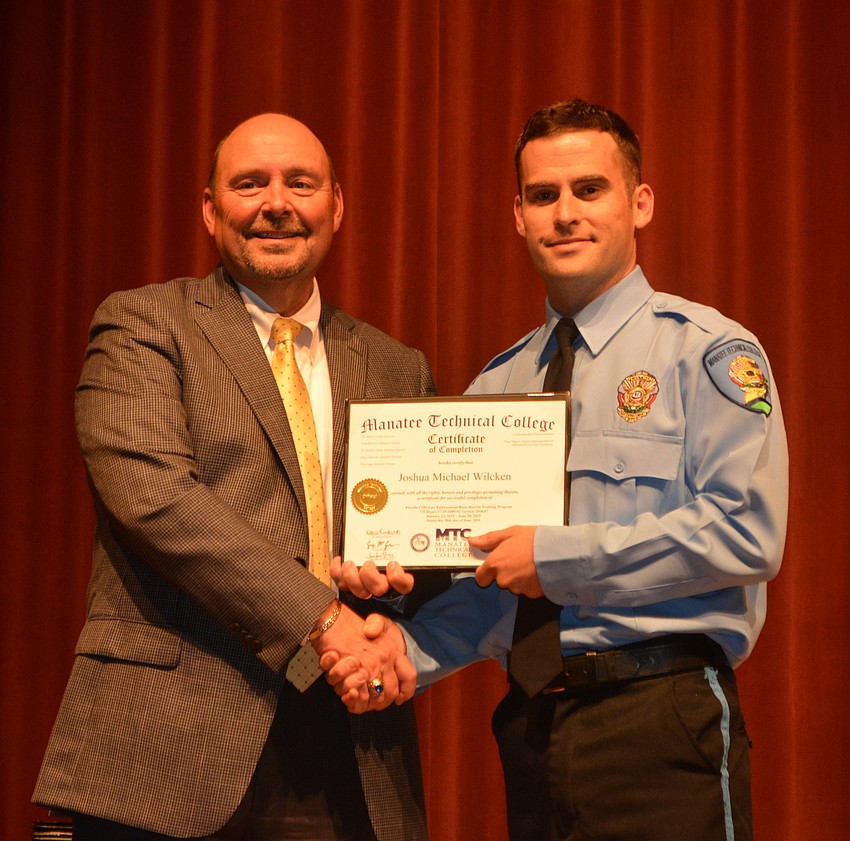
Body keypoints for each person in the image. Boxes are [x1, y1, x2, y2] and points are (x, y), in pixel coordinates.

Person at [328, 99, 789, 840]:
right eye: (543, 196)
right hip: (532, 725)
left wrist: (554, 555)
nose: (565, 213)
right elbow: (489, 586)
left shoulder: (706, 351)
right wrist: (401, 645)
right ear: (517, 215)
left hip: (662, 716)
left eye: (588, 189)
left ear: (639, 203)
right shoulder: (494, 388)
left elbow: (747, 532)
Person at [33, 113, 436, 841]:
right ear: (211, 209)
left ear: (336, 205)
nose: (275, 202)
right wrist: (324, 617)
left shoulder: (396, 364)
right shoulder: (143, 325)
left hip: (351, 754)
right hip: (168, 754)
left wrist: (399, 591)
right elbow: (157, 500)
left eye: (299, 183)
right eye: (249, 184)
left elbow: (418, 534)